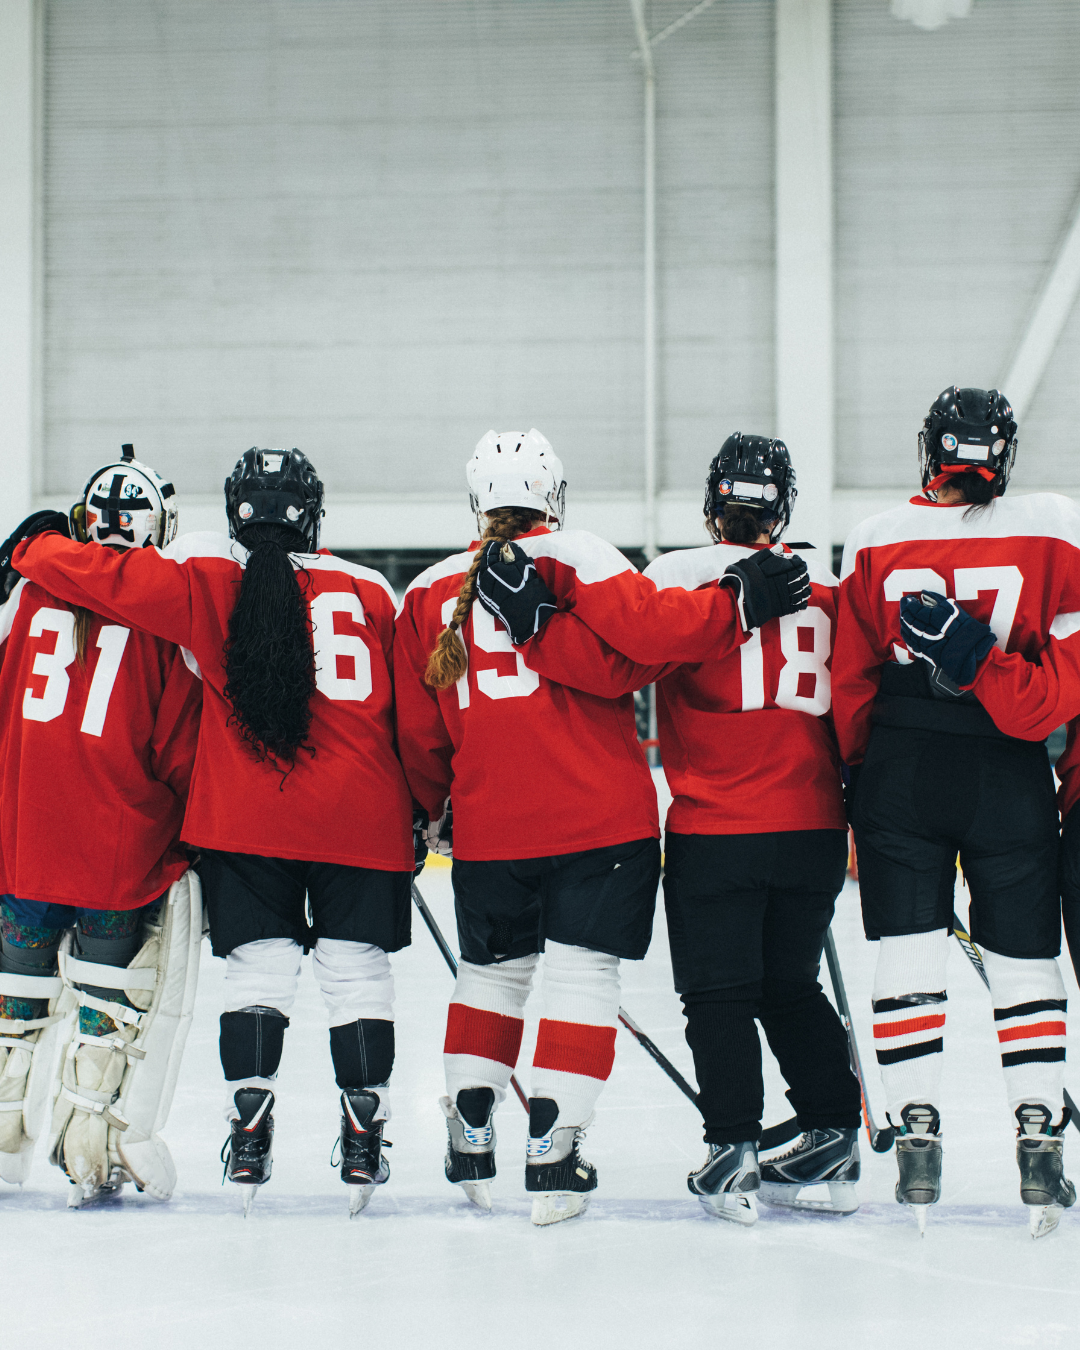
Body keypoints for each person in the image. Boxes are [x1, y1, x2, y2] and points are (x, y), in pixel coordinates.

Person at [394, 429, 810, 1225]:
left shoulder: (426, 592)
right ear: (553, 493)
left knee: (491, 977)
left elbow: (419, 730)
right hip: (598, 818)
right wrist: (737, 602)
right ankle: (555, 1150)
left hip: (490, 823)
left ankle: (471, 1127)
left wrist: (432, 806)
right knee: (582, 978)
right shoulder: (584, 554)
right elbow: (655, 634)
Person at [13, 448, 415, 1215]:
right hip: (362, 819)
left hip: (248, 820)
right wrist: (428, 805)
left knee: (259, 974)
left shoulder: (207, 582)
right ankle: (364, 1134)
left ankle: (251, 1129)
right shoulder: (370, 588)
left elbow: (111, 576)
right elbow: (410, 714)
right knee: (357, 974)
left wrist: (34, 545)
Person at [831, 385, 1080, 1237]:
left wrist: (853, 782)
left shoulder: (872, 537)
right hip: (1007, 771)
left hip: (900, 766)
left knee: (908, 951)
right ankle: (1039, 1126)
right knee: (1022, 959)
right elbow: (1050, 700)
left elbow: (849, 685)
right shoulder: (1057, 523)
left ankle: (918, 1130)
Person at [636, 434, 861, 1225]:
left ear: (712, 502)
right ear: (784, 507)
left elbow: (628, 660)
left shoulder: (674, 575)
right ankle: (834, 1129)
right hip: (810, 826)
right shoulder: (831, 585)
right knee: (790, 986)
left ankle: (732, 1148)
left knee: (719, 996)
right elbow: (855, 705)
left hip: (716, 824)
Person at [0, 446, 202, 1207]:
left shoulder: (25, 597)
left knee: (13, 1006)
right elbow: (180, 751)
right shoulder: (166, 617)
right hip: (119, 849)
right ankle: (87, 1152)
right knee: (105, 1013)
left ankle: (2, 1136)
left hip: (22, 843)